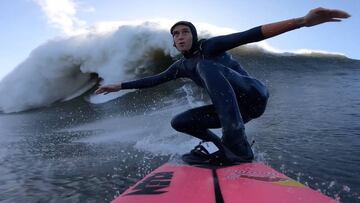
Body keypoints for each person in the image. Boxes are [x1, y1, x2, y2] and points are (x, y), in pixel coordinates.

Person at [95, 8, 350, 165]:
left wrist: (301, 21)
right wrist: (118, 86)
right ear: (173, 42)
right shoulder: (180, 67)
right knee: (180, 122)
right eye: (175, 34)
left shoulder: (211, 47)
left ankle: (236, 146)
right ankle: (223, 146)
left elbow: (250, 34)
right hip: (237, 110)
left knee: (204, 67)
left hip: (254, 94)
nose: (180, 36)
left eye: (184, 31)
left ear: (193, 35)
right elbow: (154, 80)